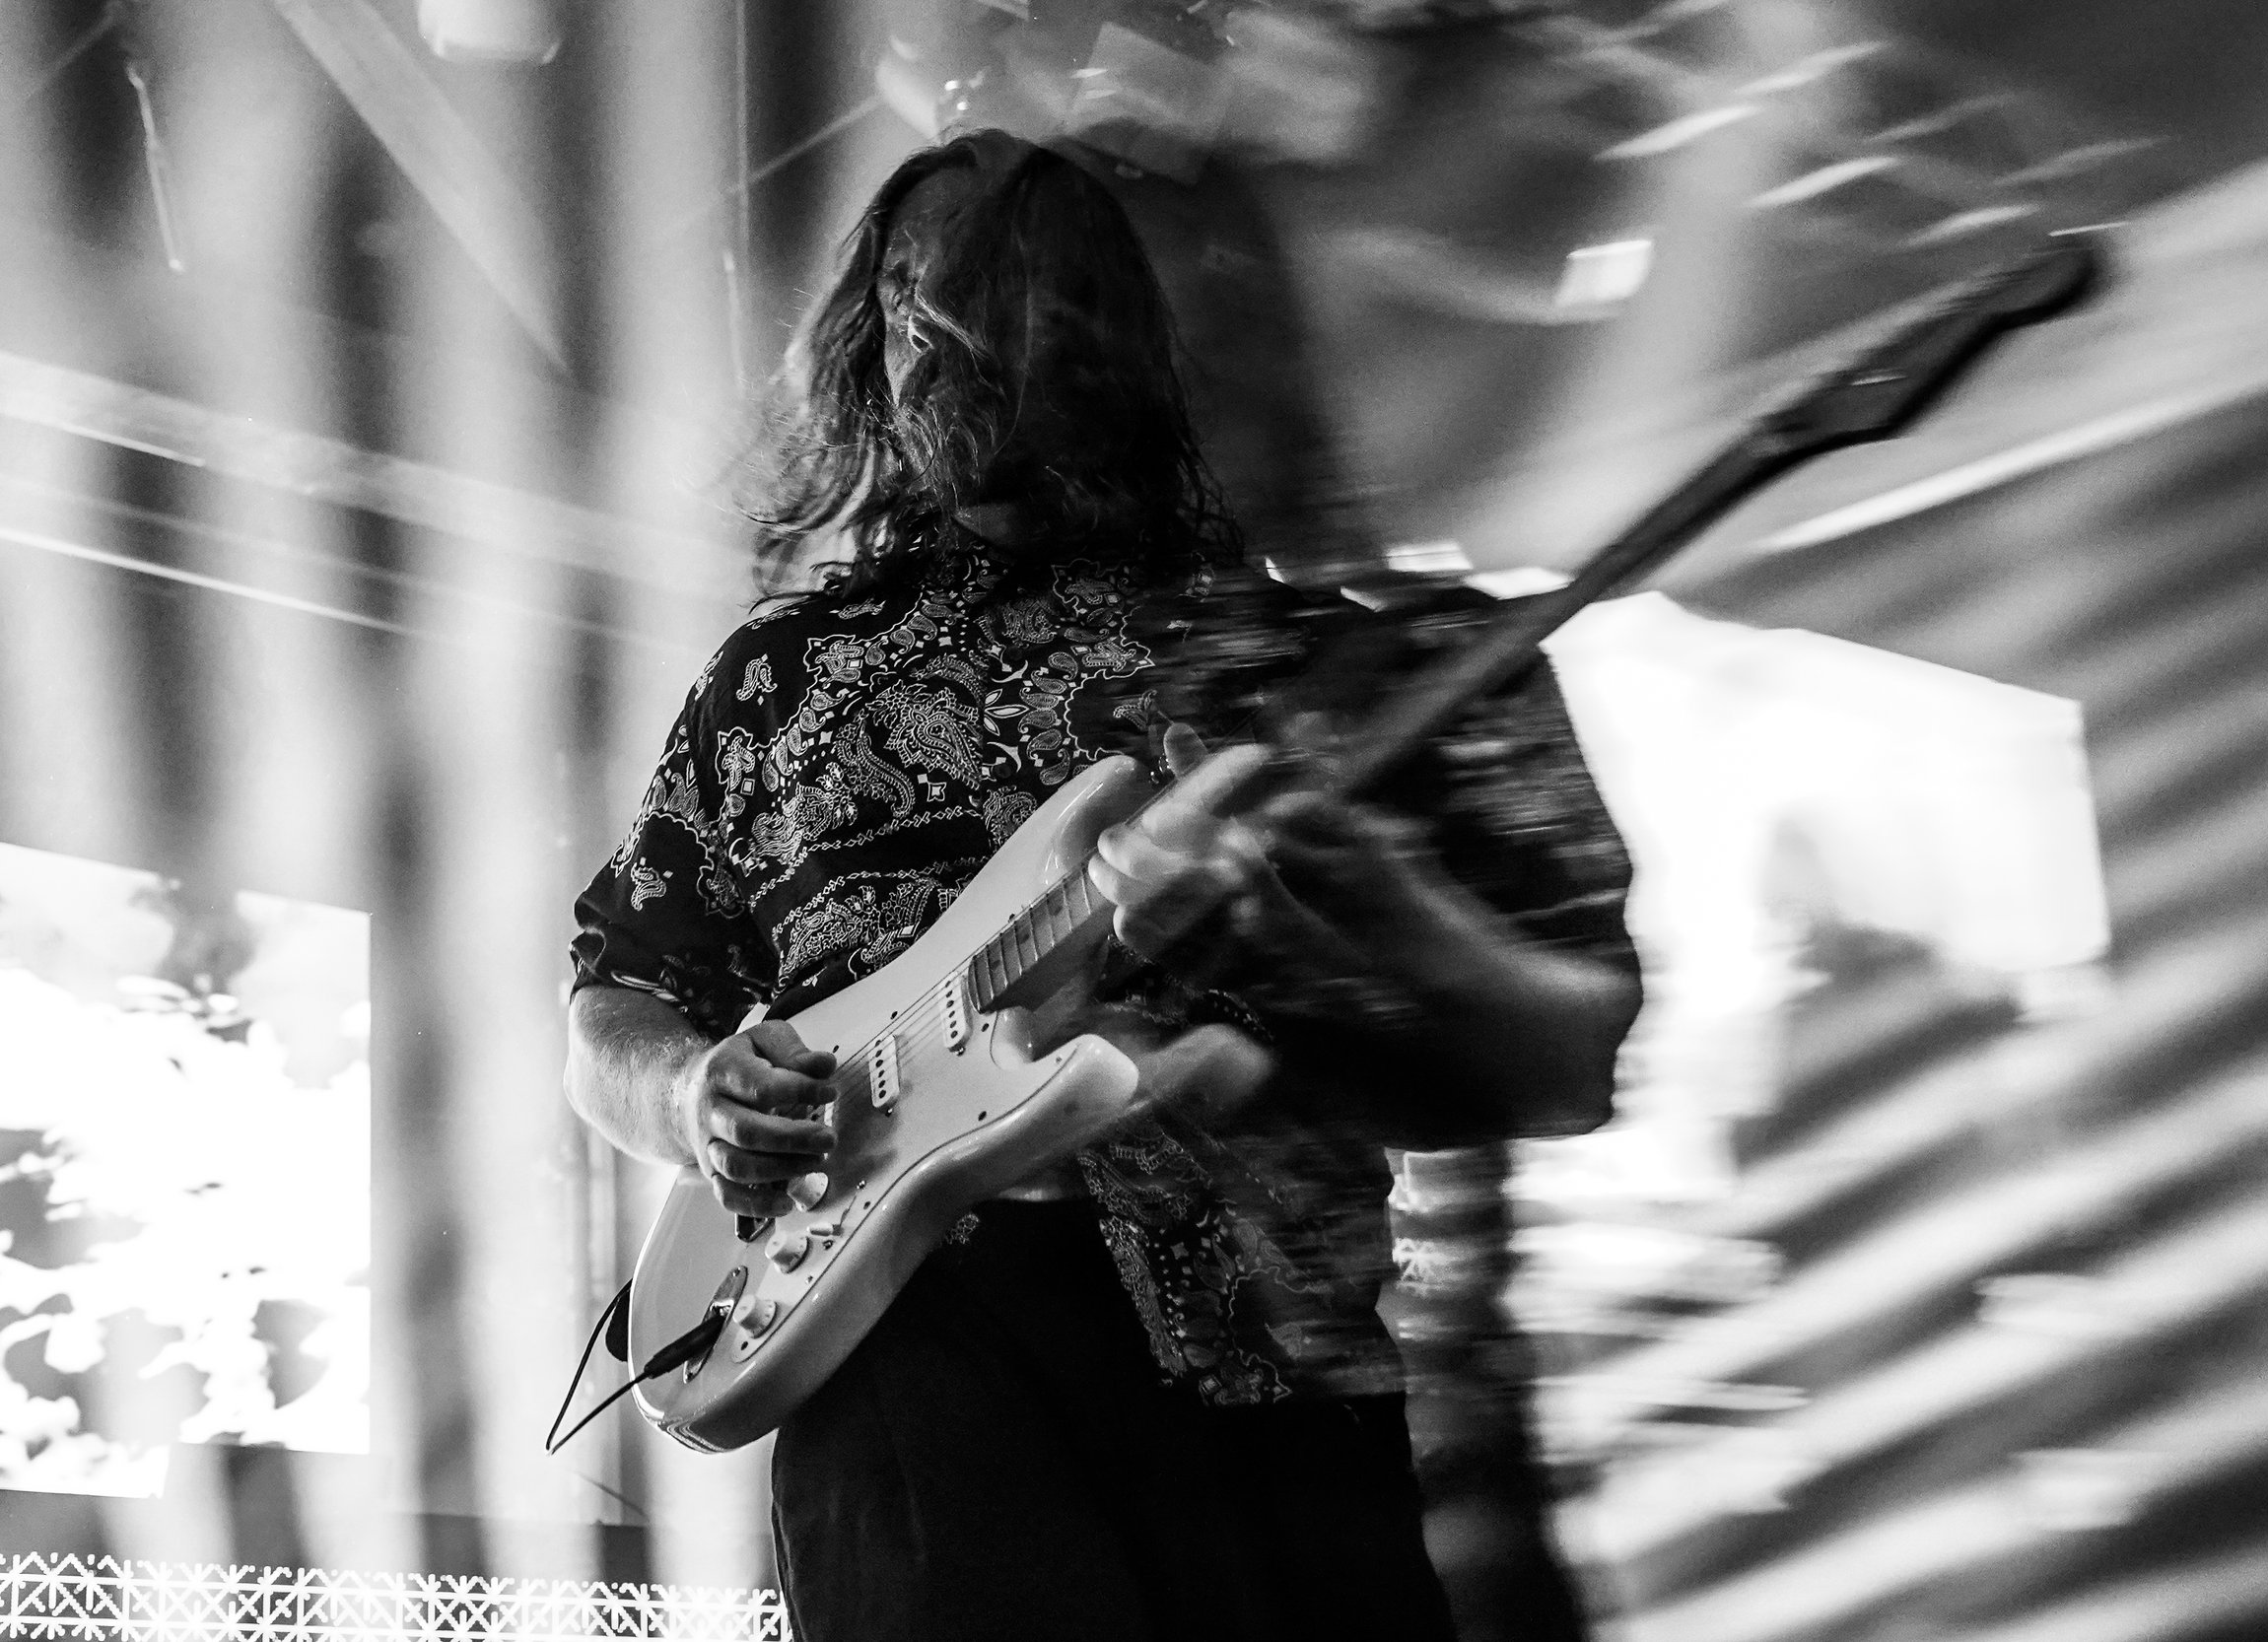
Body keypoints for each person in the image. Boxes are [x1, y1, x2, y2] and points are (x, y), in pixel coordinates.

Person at [564, 130, 1641, 1642]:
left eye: (1017, 312)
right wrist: (686, 1095)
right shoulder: (775, 682)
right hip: (904, 1374)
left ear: (1142, 335)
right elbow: (617, 988)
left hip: (1275, 1376)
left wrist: (1392, 910)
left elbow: (1572, 1054)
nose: (964, 359)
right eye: (925, 315)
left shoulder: (1349, 672)